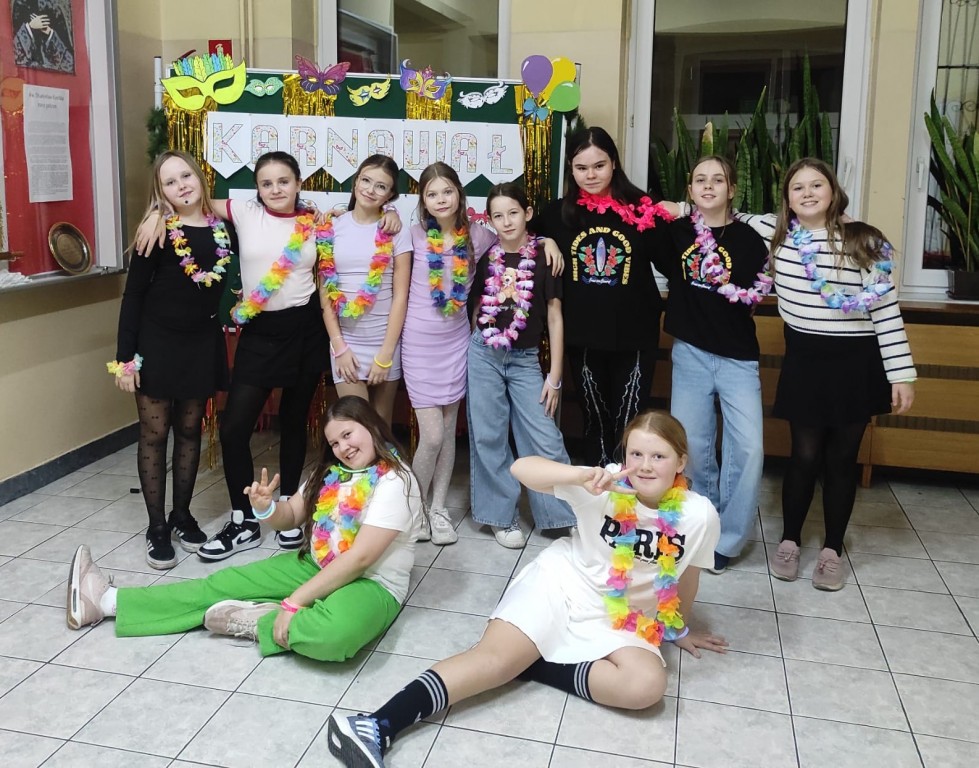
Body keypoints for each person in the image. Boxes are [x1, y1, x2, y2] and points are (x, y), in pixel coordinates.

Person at [326, 410, 726, 768]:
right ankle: (375, 724)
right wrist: (580, 476)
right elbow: (522, 469)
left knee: (646, 687)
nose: (645, 466)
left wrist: (678, 628)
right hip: (561, 585)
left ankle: (531, 662)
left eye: (658, 456)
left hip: (623, 618)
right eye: (636, 454)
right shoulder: (604, 486)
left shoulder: (699, 515)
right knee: (492, 661)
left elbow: (687, 574)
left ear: (681, 461)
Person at [66, 396, 422, 663]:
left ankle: (262, 620)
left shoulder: (397, 480)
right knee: (221, 584)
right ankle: (107, 601)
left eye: (348, 434)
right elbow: (290, 516)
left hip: (372, 584)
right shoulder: (329, 472)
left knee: (335, 634)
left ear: (370, 425)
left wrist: (294, 602)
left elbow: (360, 559)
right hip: (317, 564)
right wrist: (266, 507)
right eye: (334, 443)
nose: (343, 447)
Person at [137, 151, 333, 559]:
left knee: (294, 423)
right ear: (256, 189)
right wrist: (157, 213)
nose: (275, 189)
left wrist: (390, 217)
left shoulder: (317, 222)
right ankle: (244, 519)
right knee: (233, 429)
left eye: (284, 181)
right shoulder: (243, 212)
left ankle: (289, 512)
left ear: (299, 183)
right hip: (260, 332)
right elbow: (190, 199)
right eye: (266, 183)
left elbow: (361, 220)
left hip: (305, 330)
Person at [736, 158, 916, 591]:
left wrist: (901, 374)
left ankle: (832, 549)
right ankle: (790, 541)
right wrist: (671, 206)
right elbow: (723, 210)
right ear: (787, 199)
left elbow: (885, 311)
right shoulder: (777, 234)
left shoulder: (864, 240)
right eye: (797, 187)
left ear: (833, 191)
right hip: (806, 360)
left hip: (856, 363)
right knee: (803, 456)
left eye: (817, 185)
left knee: (841, 460)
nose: (808, 193)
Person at [401, 162, 563, 545]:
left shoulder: (480, 238)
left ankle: (557, 515)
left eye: (447, 191)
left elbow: (519, 241)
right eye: (432, 193)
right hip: (445, 347)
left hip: (472, 347)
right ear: (422, 200)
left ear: (459, 194)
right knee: (467, 436)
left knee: (540, 433)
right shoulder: (414, 235)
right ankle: (427, 511)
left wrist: (548, 241)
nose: (441, 199)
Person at [108, 150, 232, 569]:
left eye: (186, 176)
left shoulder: (222, 228)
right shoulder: (157, 231)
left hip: (200, 343)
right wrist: (125, 360)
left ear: (199, 177)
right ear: (160, 191)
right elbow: (133, 297)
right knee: (155, 433)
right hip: (157, 345)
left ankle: (182, 515)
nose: (181, 185)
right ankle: (157, 526)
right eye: (170, 182)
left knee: (191, 430)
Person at [653, 156, 771, 575]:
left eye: (717, 180)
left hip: (738, 358)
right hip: (690, 354)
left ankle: (730, 538)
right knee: (694, 447)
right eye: (700, 180)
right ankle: (702, 528)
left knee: (749, 448)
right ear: (689, 190)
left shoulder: (750, 239)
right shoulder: (676, 233)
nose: (708, 186)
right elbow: (638, 230)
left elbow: (754, 295)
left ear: (732, 189)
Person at [534, 127, 675, 467]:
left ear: (614, 163)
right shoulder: (557, 214)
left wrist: (683, 210)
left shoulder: (642, 210)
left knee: (631, 424)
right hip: (583, 338)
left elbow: (675, 262)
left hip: (634, 337)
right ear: (571, 169)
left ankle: (630, 491)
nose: (591, 175)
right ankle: (601, 491)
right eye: (581, 168)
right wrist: (544, 241)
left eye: (599, 166)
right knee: (595, 421)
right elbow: (520, 238)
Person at [467, 182, 576, 548]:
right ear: (490, 220)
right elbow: (478, 308)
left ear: (527, 213)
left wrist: (555, 376)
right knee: (489, 435)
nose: (507, 221)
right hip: (485, 354)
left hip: (526, 359)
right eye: (498, 215)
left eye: (513, 212)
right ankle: (500, 517)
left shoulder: (546, 256)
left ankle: (560, 516)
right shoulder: (488, 257)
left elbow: (555, 318)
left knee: (544, 435)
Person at [321, 154, 413, 426]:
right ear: (356, 182)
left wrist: (386, 354)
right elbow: (326, 294)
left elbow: (401, 296)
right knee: (356, 424)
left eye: (381, 186)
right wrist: (339, 347)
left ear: (390, 195)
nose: (370, 190)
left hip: (385, 341)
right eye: (366, 181)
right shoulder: (331, 228)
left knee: (381, 427)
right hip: (346, 343)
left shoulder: (397, 232)